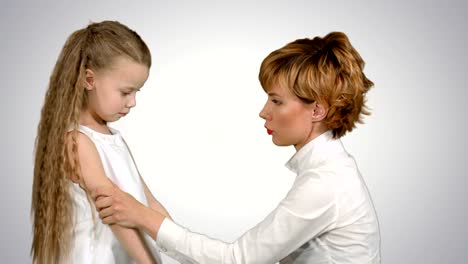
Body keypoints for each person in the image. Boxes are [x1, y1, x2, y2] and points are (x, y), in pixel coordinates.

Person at [92, 31, 381, 263]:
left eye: (277, 101)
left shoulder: (326, 183)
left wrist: (141, 216)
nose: (264, 112)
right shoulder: (329, 171)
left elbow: (239, 260)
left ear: (317, 110)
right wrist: (149, 215)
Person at [31, 20, 169, 264]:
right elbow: (112, 213)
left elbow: (150, 203)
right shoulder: (77, 142)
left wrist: (184, 246)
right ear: (89, 80)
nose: (133, 102)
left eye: (137, 92)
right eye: (126, 92)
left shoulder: (114, 139)